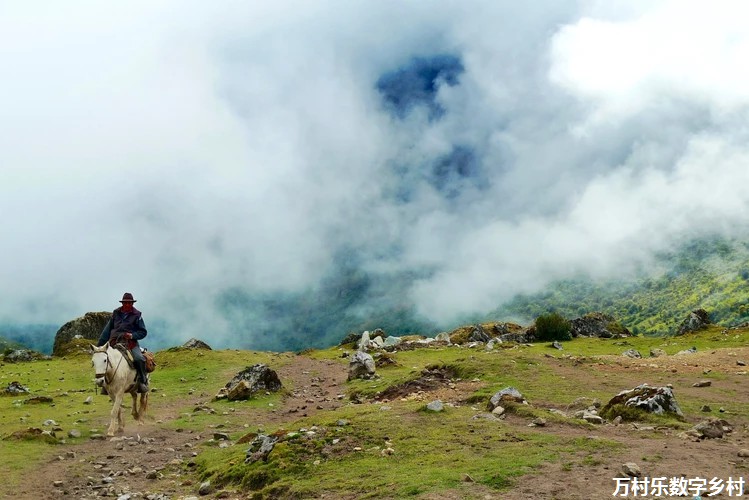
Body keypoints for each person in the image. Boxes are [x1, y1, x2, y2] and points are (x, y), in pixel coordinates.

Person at [97, 292, 149, 393]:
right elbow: (107, 330)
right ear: (122, 303)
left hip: (130, 343)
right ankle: (105, 385)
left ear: (132, 303)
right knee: (105, 359)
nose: (127, 305)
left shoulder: (137, 315)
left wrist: (132, 335)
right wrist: (99, 346)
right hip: (114, 342)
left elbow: (143, 332)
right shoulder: (116, 313)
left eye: (130, 303)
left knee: (139, 359)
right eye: (125, 303)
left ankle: (142, 382)